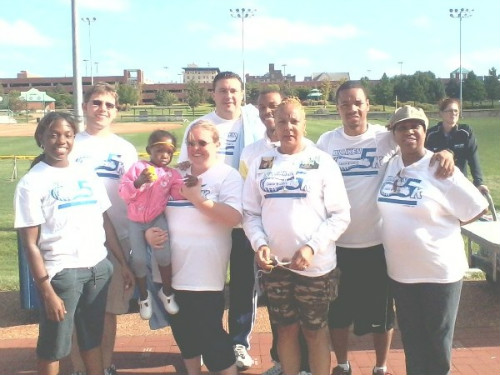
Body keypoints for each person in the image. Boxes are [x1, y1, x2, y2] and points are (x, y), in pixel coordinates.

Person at [316, 81, 455, 375]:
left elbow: (415, 146)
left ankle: (380, 366)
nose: (351, 109)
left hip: (379, 244)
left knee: (382, 314)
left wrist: (444, 153)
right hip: (338, 244)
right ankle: (342, 364)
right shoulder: (327, 142)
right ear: (337, 107)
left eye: (357, 102)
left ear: (367, 105)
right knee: (338, 312)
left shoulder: (384, 137)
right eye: (344, 104)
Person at [14, 112, 134, 375]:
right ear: (41, 138)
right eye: (54, 134)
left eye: (68, 134)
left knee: (92, 340)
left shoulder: (86, 174)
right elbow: (30, 245)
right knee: (53, 347)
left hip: (97, 270)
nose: (61, 140)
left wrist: (122, 263)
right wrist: (46, 290)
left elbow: (105, 221)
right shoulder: (32, 182)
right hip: (62, 274)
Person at [243, 97, 351, 375]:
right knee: (286, 331)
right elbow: (250, 213)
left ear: (304, 124)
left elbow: (340, 215)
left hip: (315, 268)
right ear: (273, 125)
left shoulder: (322, 162)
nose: (288, 126)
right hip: (276, 267)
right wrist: (260, 244)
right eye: (282, 121)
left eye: (294, 121)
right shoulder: (261, 163)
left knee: (315, 332)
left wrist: (312, 247)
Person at [378, 105, 488, 375]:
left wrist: (441, 228)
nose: (409, 131)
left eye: (416, 126)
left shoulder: (439, 166)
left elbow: (477, 207)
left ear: (426, 131)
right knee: (413, 341)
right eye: (402, 127)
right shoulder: (391, 163)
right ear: (394, 133)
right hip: (402, 274)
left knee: (437, 345)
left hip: (439, 273)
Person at [178, 71, 263, 370]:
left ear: (242, 94)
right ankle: (208, 338)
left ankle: (238, 342)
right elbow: (183, 168)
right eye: (222, 91)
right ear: (213, 94)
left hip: (240, 217)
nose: (229, 96)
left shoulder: (254, 124)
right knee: (206, 286)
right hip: (207, 216)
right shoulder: (199, 125)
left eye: (234, 91)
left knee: (242, 283)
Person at [146, 120, 243, 375]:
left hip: (205, 274)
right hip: (169, 271)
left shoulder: (227, 175)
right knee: (184, 333)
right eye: (191, 143)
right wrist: (147, 233)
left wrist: (198, 199)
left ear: (217, 144)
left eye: (202, 143)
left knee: (212, 337)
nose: (195, 148)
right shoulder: (173, 173)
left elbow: (234, 218)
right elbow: (150, 210)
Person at [240, 89, 310, 375]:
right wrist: (259, 242)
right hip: (268, 248)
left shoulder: (311, 149)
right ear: (258, 112)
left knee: (309, 318)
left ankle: (305, 366)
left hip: (306, 252)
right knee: (280, 315)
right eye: (264, 107)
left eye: (275, 106)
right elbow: (250, 204)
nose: (269, 112)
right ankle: (282, 363)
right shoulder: (251, 153)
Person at [70, 82, 139, 375]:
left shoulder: (124, 149)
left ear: (116, 111)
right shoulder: (72, 143)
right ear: (86, 106)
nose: (103, 109)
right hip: (78, 239)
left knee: (110, 310)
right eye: (97, 103)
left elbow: (137, 195)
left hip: (118, 239)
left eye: (109, 105)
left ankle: (106, 365)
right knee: (77, 312)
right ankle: (77, 369)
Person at [119, 130, 183, 320]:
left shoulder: (171, 174)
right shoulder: (138, 168)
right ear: (149, 150)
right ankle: (144, 296)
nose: (164, 155)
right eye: (159, 150)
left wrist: (187, 180)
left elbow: (178, 193)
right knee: (138, 260)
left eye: (168, 152)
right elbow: (124, 192)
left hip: (156, 218)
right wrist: (139, 182)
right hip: (135, 221)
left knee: (164, 256)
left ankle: (167, 292)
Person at [425, 97, 489, 194]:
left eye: (456, 110)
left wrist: (479, 182)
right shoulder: (431, 134)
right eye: (449, 111)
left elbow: (473, 158)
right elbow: (425, 161)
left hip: (459, 184)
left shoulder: (465, 132)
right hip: (436, 185)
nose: (454, 113)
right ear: (441, 113)